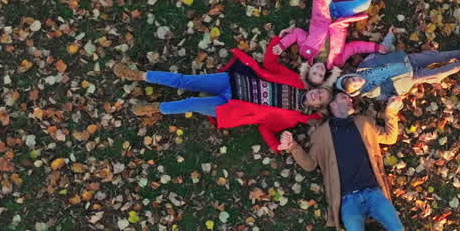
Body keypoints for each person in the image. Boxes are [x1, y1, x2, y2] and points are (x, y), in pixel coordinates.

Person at [278, 92, 415, 231]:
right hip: (348, 201)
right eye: (343, 98)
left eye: (350, 99)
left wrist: (391, 113)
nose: (349, 100)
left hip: (373, 193)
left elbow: (389, 137)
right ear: (332, 105)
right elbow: (311, 164)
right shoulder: (322, 134)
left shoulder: (363, 122)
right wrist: (293, 147)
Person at [114, 37, 330, 152]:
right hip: (233, 82)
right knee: (186, 80)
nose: (317, 95)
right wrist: (277, 44)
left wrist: (277, 146)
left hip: (232, 107)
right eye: (319, 92)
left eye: (320, 99)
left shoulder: (293, 118)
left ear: (316, 107)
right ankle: (141, 75)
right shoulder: (294, 81)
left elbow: (265, 127)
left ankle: (155, 108)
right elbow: (270, 64)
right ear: (314, 88)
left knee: (191, 102)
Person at [273, 0, 390, 76]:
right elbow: (354, 47)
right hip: (340, 17)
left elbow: (297, 33)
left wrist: (282, 44)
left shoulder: (305, 51)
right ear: (326, 77)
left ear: (308, 70)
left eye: (314, 73)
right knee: (363, 5)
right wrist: (375, 47)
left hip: (323, 12)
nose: (319, 71)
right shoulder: (337, 62)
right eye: (320, 76)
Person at [336, 29, 460, 102]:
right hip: (409, 79)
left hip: (406, 61)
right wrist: (396, 97)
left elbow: (382, 52)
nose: (357, 81)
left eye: (353, 79)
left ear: (353, 74)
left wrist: (389, 37)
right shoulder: (371, 93)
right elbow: (388, 95)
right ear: (356, 91)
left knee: (435, 56)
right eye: (355, 85)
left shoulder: (364, 65)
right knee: (436, 74)